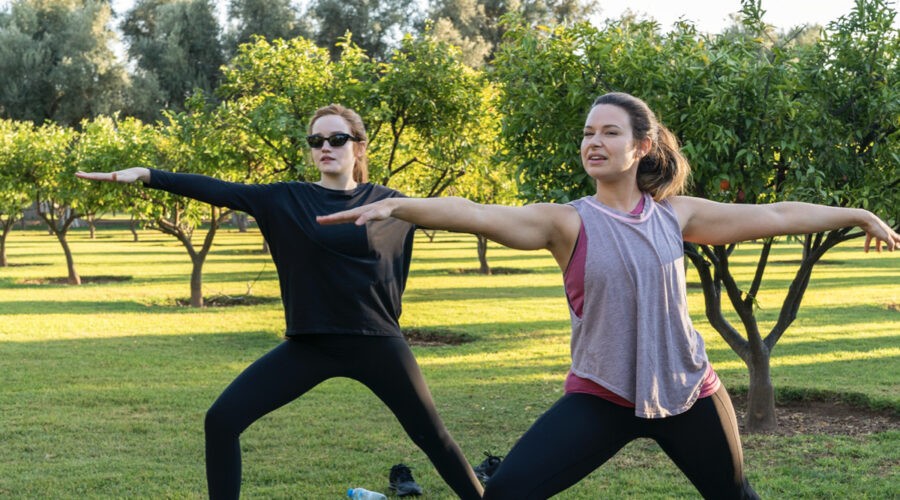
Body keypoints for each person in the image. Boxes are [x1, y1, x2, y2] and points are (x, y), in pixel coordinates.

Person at [318, 92, 900, 499]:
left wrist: (857, 213)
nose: (593, 142)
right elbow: (475, 213)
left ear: (643, 146)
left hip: (690, 393)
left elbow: (775, 213)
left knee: (734, 495)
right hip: (602, 396)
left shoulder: (677, 215)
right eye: (588, 133)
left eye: (609, 132)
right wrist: (399, 205)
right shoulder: (565, 223)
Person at [76, 104, 484, 500]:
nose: (326, 146)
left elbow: (464, 212)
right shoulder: (287, 199)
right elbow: (221, 191)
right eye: (316, 140)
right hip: (311, 345)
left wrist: (401, 206)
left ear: (358, 147)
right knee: (221, 420)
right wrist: (148, 175)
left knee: (435, 438)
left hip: (377, 342)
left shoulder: (392, 204)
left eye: (337, 138)